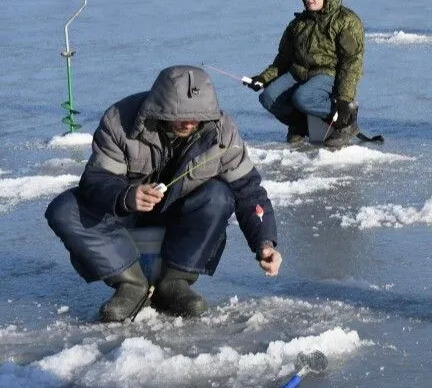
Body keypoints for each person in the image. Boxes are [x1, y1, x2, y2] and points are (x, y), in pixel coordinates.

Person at [44, 65, 281, 323]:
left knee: (219, 195)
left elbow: (250, 192)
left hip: (182, 215)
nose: (190, 123)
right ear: (159, 107)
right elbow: (96, 180)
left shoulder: (222, 133)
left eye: (198, 116)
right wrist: (126, 196)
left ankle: (175, 281)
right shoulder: (119, 121)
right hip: (124, 215)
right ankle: (130, 283)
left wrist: (265, 243)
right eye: (180, 116)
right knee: (64, 209)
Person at [246, 0, 365, 148]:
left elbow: (351, 62)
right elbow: (283, 58)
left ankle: (346, 120)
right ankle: (299, 124)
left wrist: (344, 98)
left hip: (328, 73)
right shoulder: (298, 24)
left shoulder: (345, 21)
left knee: (303, 98)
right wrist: (263, 78)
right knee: (268, 98)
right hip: (299, 72)